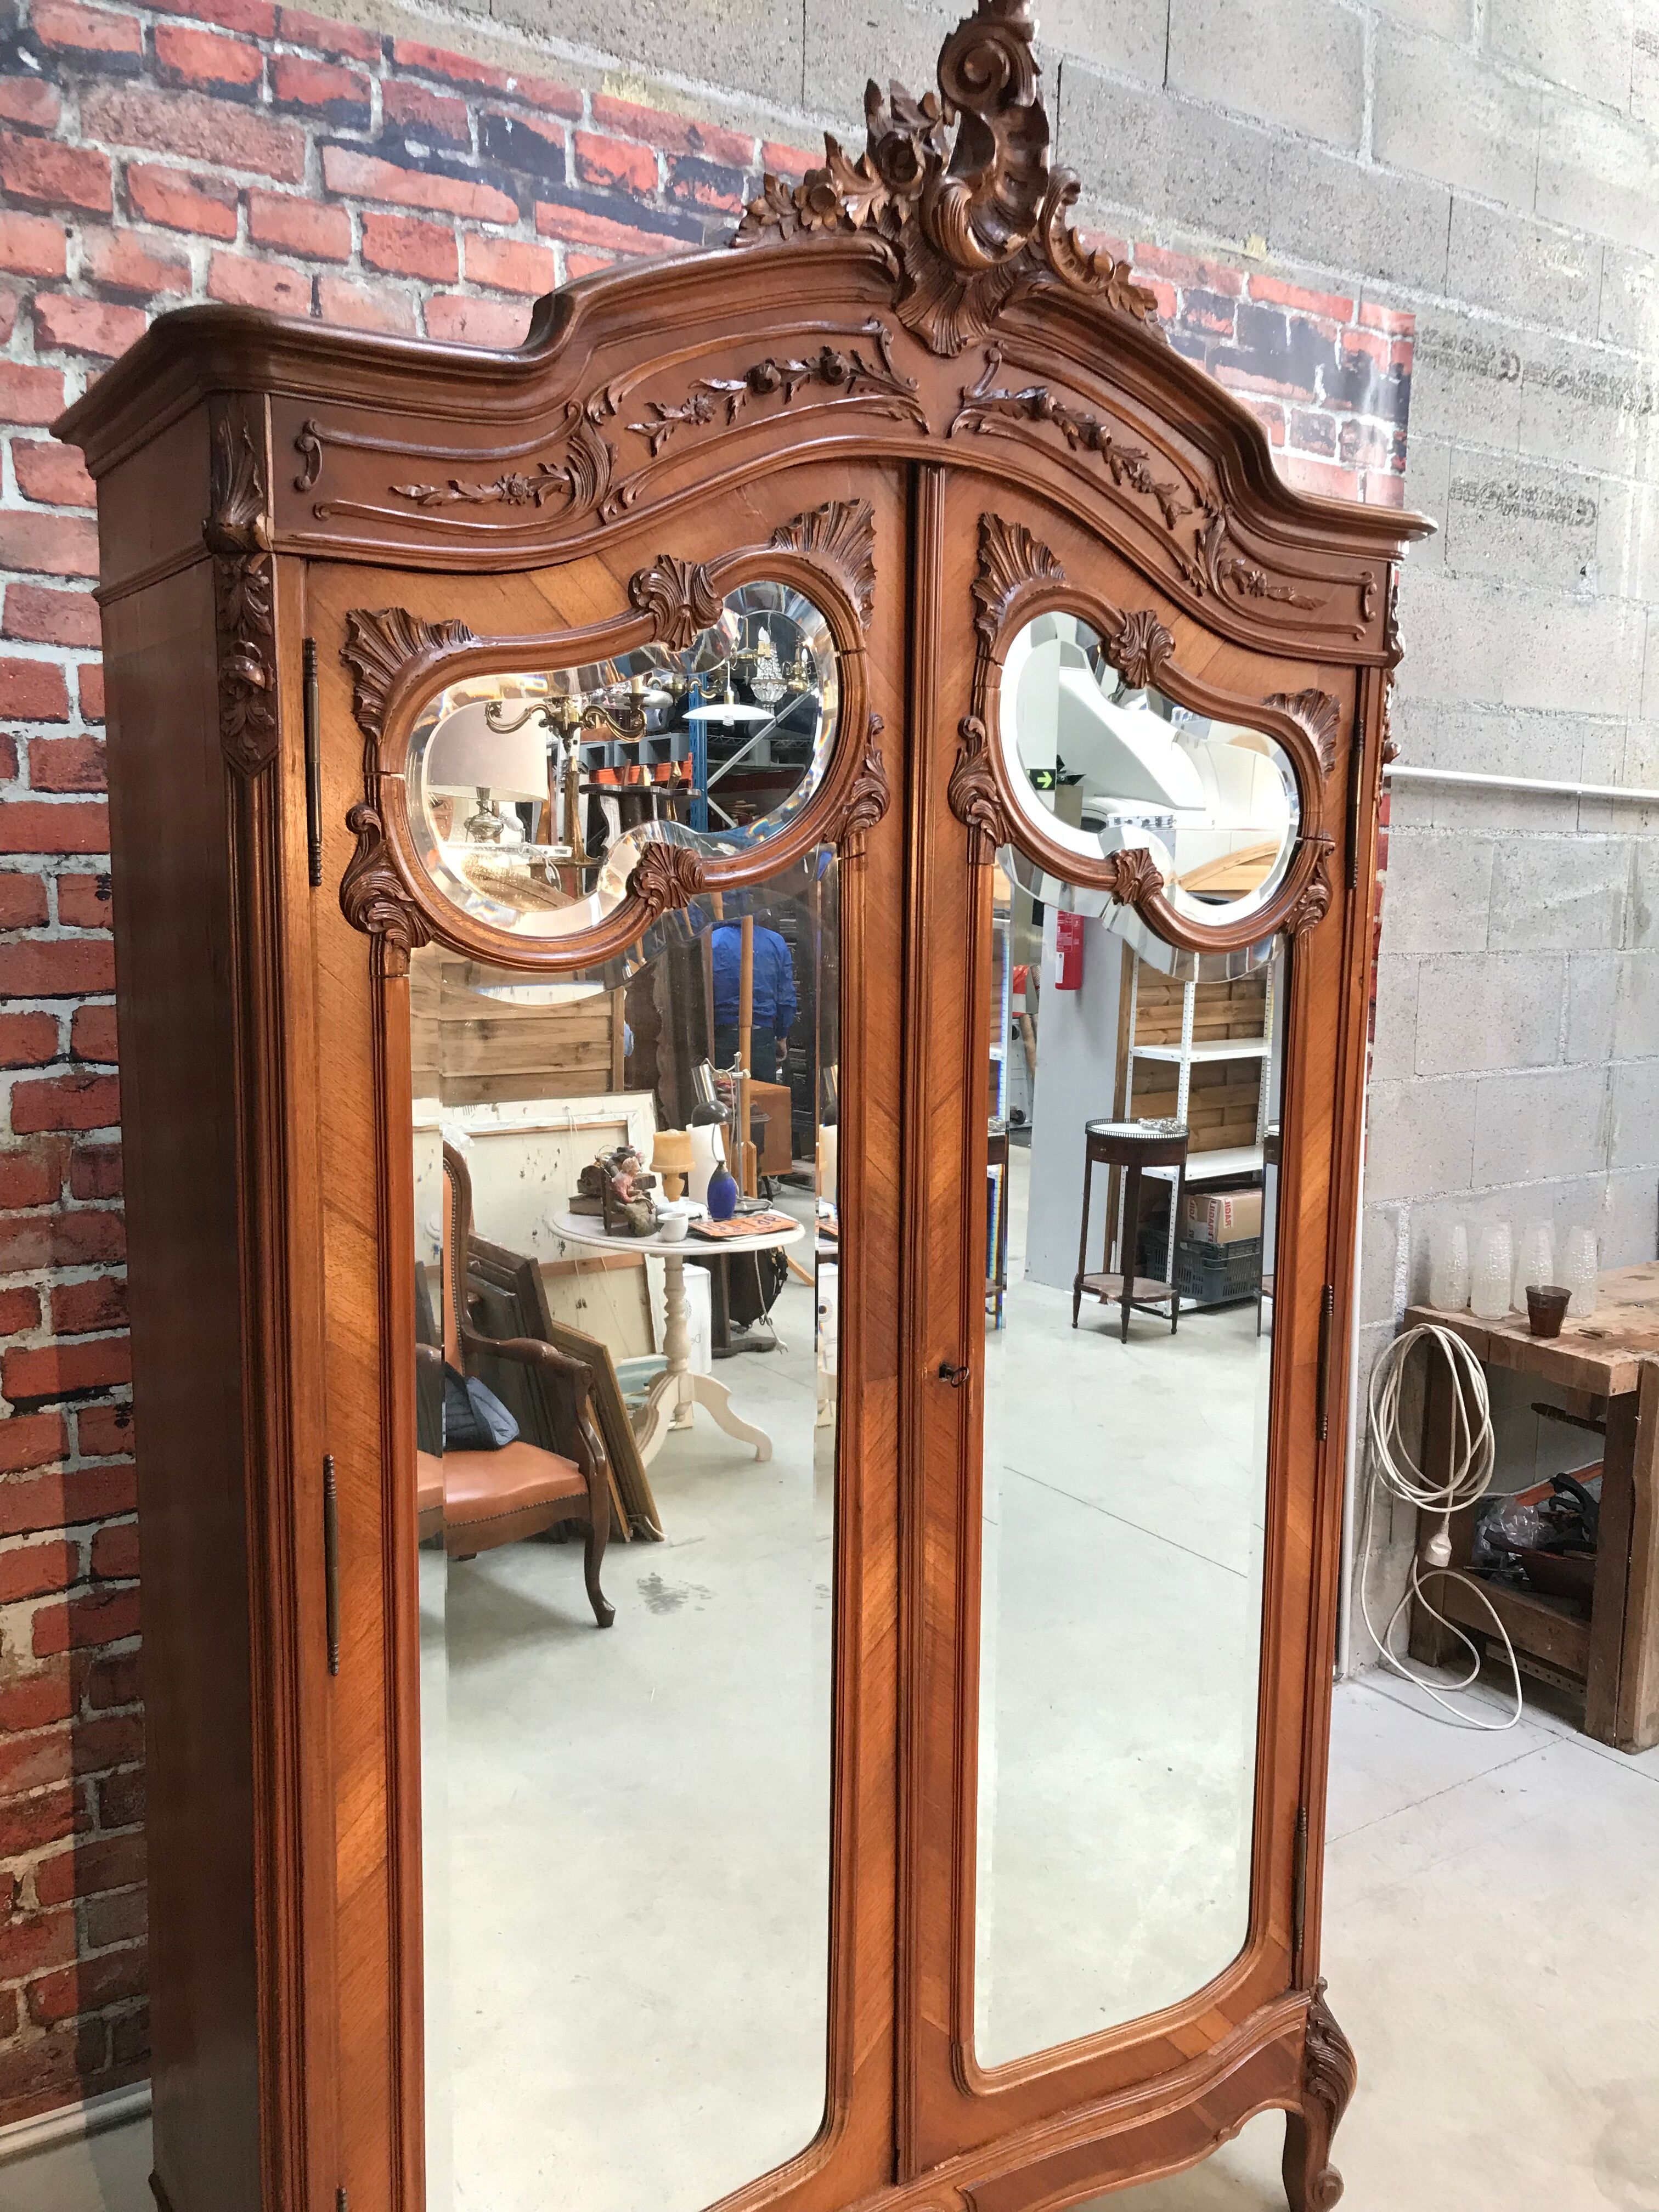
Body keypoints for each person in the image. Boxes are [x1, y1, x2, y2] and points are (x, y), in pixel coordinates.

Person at [710, 917, 797, 1084]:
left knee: (725, 1100)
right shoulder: (774, 941)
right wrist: (782, 1036)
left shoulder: (713, 940)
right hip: (761, 1037)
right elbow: (786, 998)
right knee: (763, 1102)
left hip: (722, 1037)